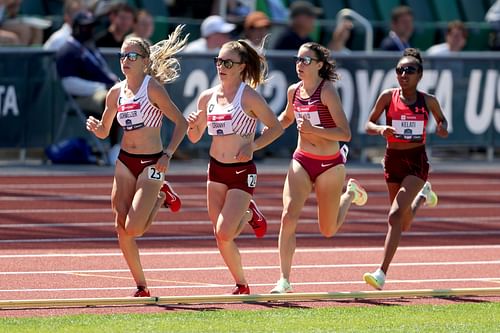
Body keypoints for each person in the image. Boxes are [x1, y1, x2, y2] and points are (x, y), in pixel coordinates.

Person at [86, 25, 188, 297]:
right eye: (122, 56)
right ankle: (141, 285)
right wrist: (97, 128)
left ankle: (159, 197)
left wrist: (167, 155)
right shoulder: (115, 92)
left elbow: (181, 123)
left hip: (153, 163)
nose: (126, 61)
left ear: (145, 61)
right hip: (124, 160)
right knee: (121, 227)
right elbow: (107, 130)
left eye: (132, 56)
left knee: (135, 228)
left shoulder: (152, 89)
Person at [268, 42, 368, 294]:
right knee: (288, 214)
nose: (299, 65)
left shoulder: (327, 92)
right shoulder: (294, 91)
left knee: (328, 229)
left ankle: (350, 195)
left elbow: (345, 133)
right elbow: (287, 118)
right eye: (298, 59)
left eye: (306, 61)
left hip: (329, 164)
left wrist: (315, 130)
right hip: (302, 158)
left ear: (320, 65)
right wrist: (261, 134)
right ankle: (284, 279)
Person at [186, 39, 283, 294]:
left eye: (228, 62)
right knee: (220, 237)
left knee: (225, 231)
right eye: (218, 61)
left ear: (241, 67)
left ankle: (249, 213)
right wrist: (194, 125)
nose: (221, 66)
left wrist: (254, 146)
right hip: (216, 169)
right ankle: (242, 284)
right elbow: (195, 138)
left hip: (241, 171)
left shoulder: (249, 97)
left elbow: (276, 127)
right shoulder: (208, 97)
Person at [363, 48, 449, 290]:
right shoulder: (388, 97)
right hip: (392, 159)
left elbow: (442, 121)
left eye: (409, 70)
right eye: (399, 70)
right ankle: (423, 197)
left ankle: (381, 273)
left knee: (394, 216)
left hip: (415, 160)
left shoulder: (428, 100)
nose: (403, 74)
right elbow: (369, 123)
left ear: (420, 74)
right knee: (403, 223)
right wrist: (381, 129)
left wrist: (442, 128)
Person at [55, 10, 120, 149]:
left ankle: (134, 146)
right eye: (86, 27)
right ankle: (114, 147)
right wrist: (102, 87)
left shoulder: (90, 47)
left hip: (104, 89)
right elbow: (69, 84)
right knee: (112, 100)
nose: (90, 30)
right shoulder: (67, 50)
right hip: (85, 96)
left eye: (91, 27)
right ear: (77, 28)